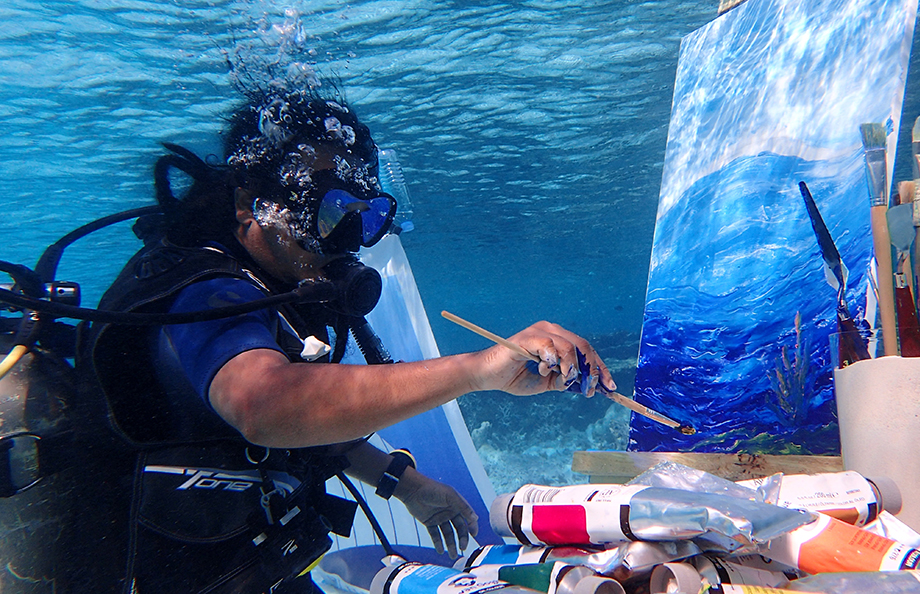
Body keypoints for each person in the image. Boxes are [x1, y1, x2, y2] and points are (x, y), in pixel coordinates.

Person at [63, 89, 616, 594]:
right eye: (326, 208)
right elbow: (266, 406)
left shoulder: (286, 291)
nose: (346, 238)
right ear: (248, 202)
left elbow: (298, 430)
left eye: (362, 213)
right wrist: (476, 370)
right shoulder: (201, 293)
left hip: (253, 565)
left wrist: (406, 484)